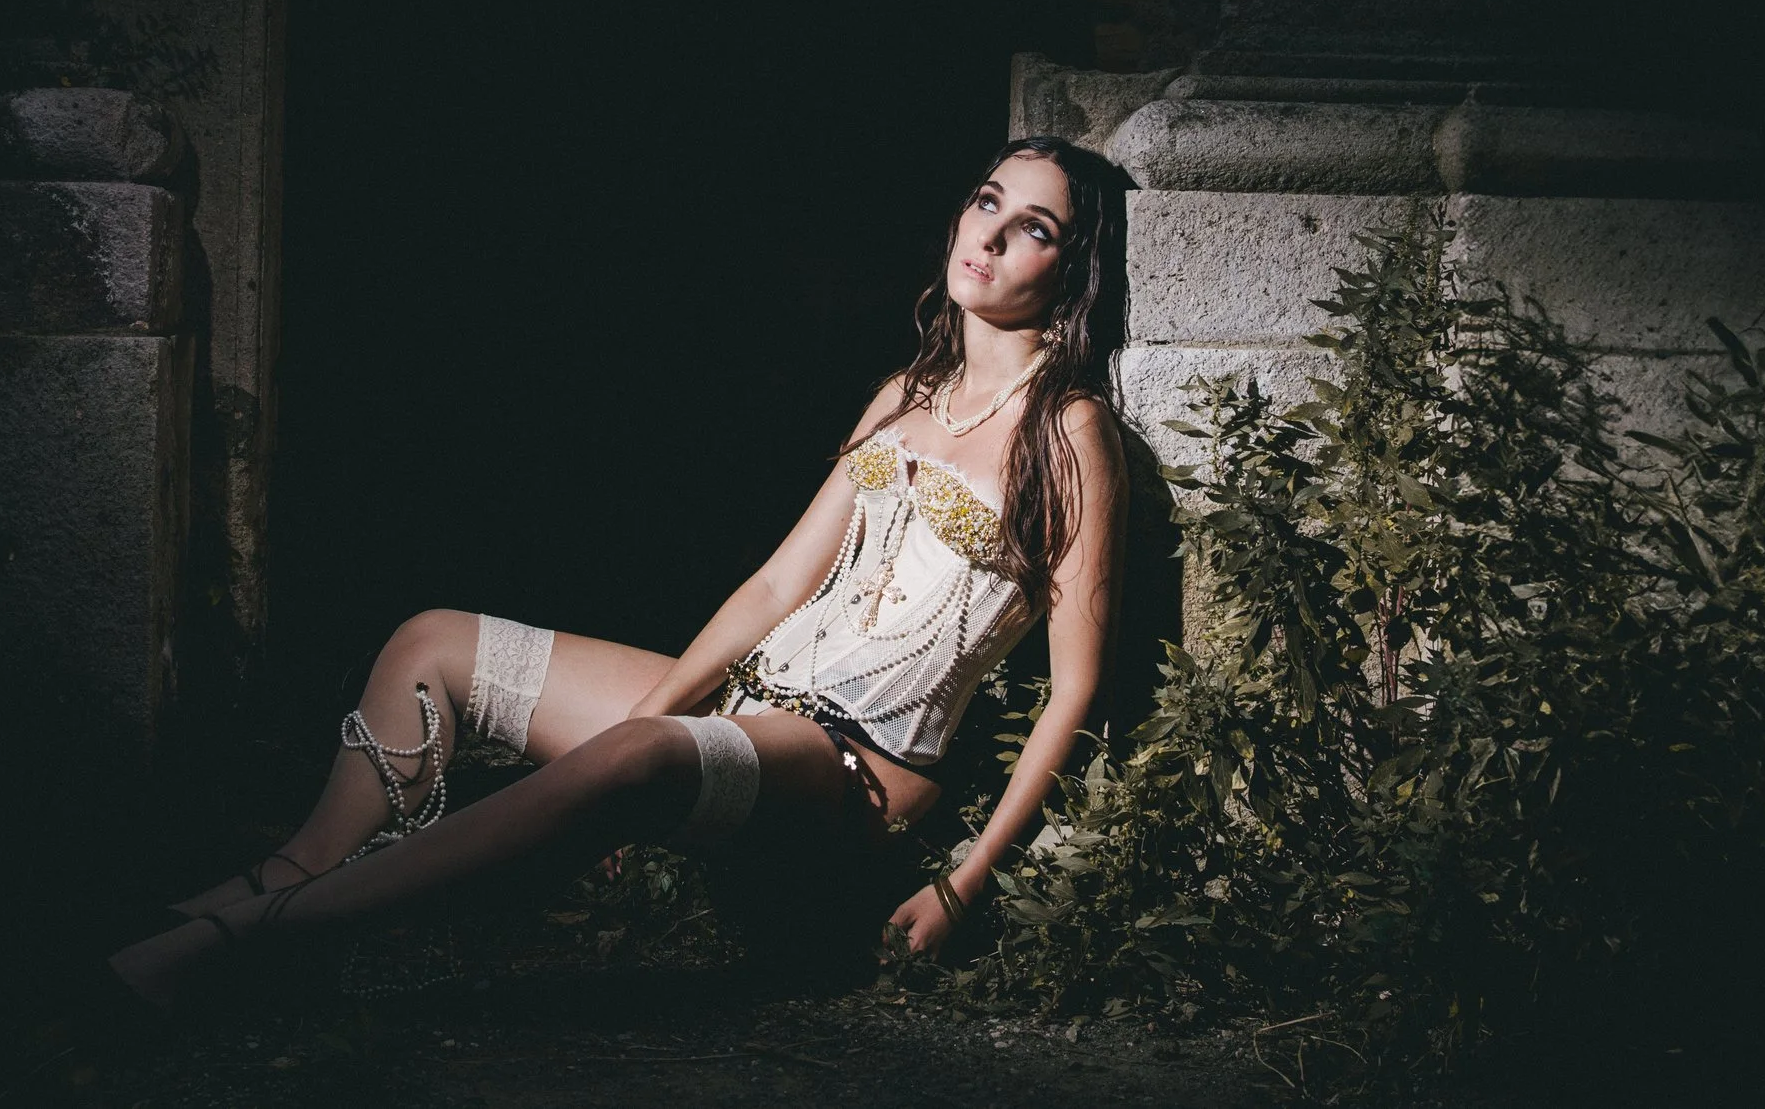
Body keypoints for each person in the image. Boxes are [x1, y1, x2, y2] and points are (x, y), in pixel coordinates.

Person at [108, 135, 1130, 1012]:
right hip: (748, 706)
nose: (988, 235)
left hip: (855, 777)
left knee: (639, 755)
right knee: (431, 642)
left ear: (1070, 264)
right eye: (986, 200)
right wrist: (657, 706)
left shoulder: (1070, 431)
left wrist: (962, 883)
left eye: (1032, 226)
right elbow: (776, 587)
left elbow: (1074, 688)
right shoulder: (905, 393)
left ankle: (251, 944)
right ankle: (283, 875)